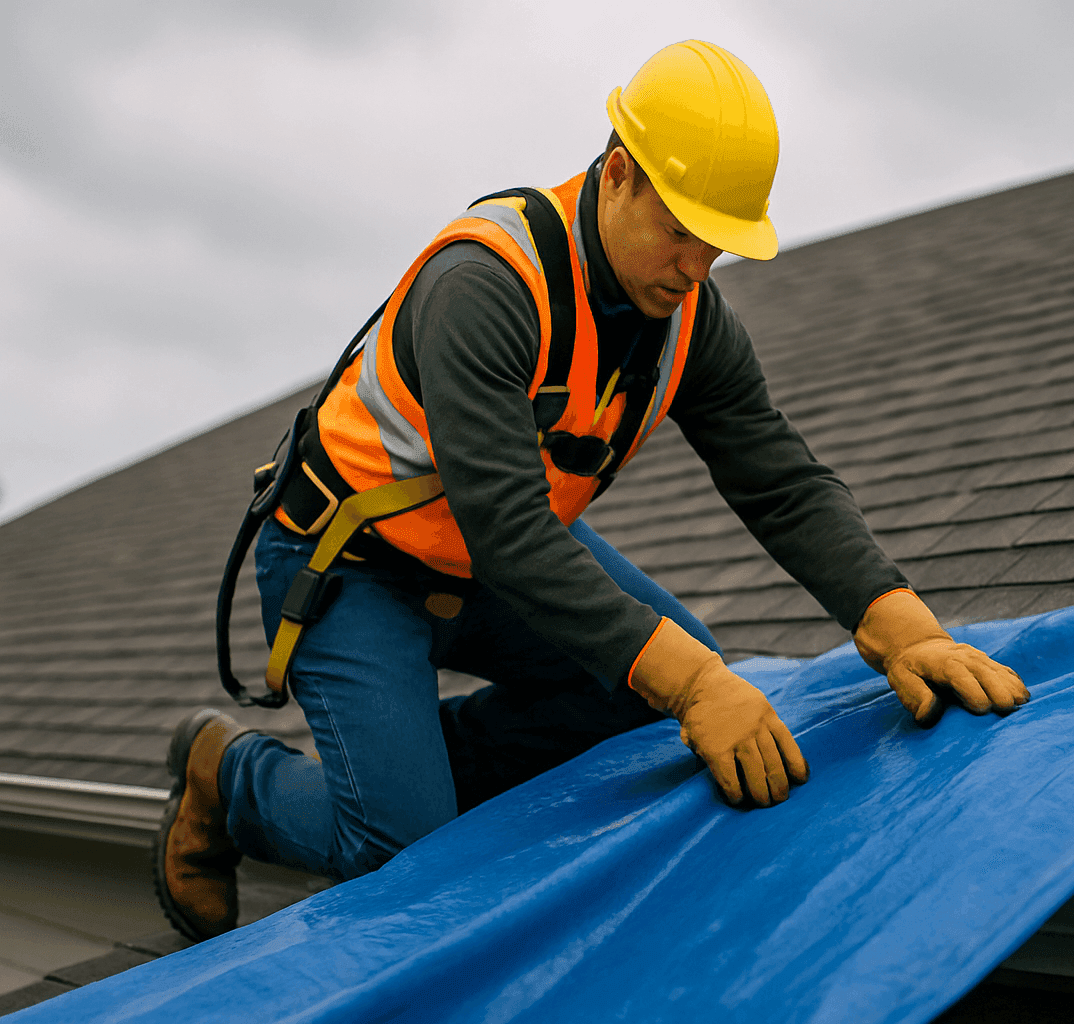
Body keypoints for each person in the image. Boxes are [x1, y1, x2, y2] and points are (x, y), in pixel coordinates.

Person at [153, 40, 1027, 943]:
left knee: (640, 690)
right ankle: (232, 778)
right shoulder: (485, 288)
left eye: (716, 246)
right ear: (618, 176)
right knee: (405, 844)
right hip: (351, 559)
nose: (694, 268)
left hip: (486, 560)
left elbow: (781, 480)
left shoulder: (688, 321)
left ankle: (401, 759)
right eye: (680, 230)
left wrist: (900, 626)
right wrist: (694, 686)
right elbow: (510, 531)